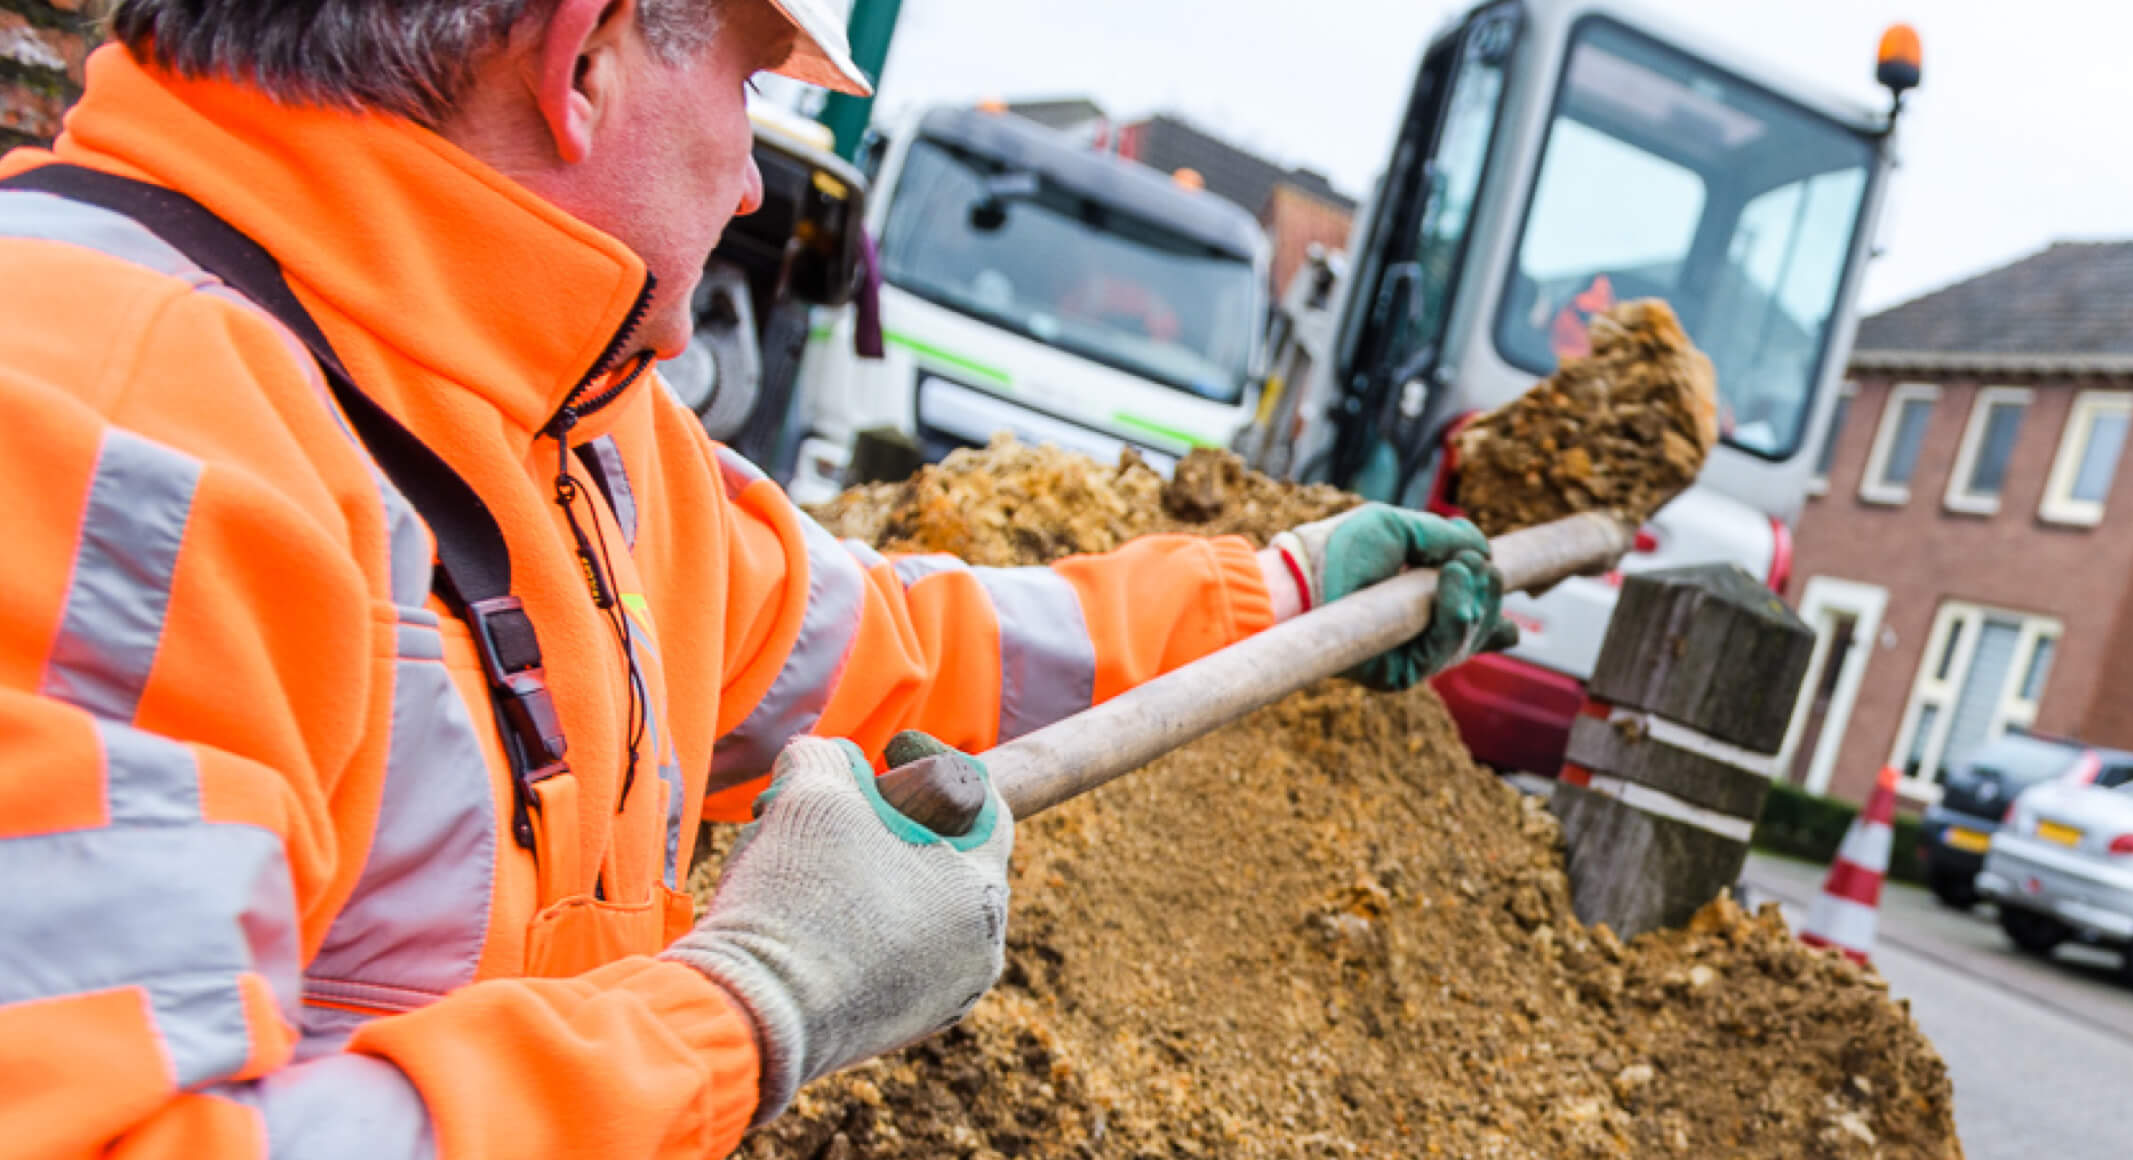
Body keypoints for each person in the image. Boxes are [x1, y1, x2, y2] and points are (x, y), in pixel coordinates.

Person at [0, 0, 1514, 1154]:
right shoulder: (97, 427)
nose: (747, 179)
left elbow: (906, 653)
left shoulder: (576, 436)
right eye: (750, 84)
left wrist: (1278, 594)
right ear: (584, 57)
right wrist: (744, 1007)